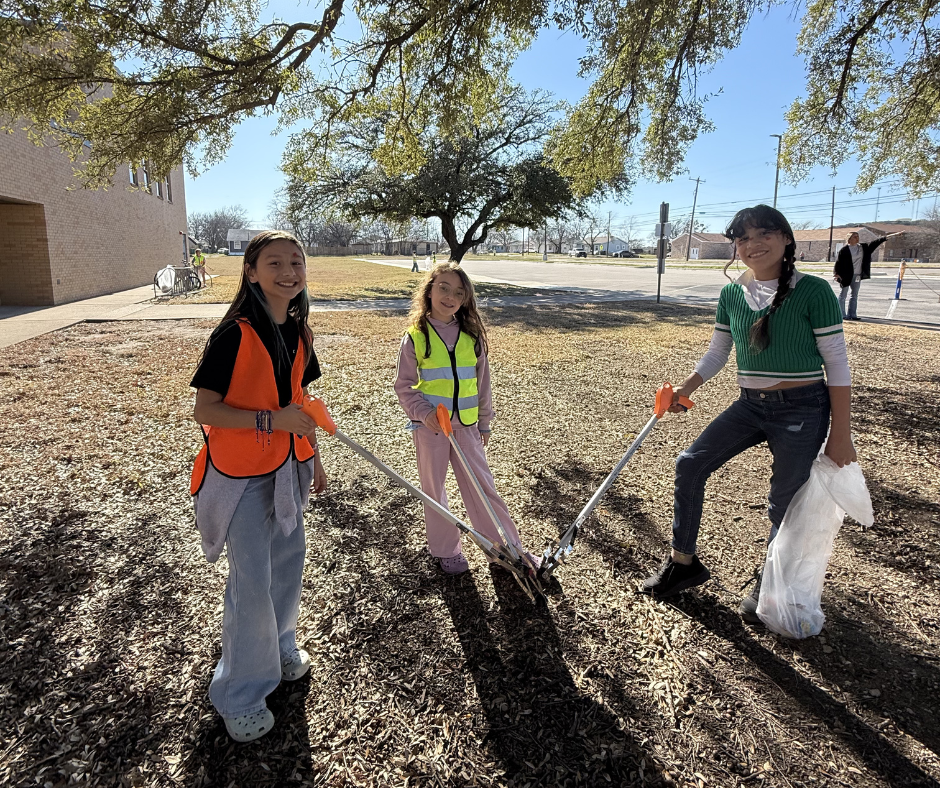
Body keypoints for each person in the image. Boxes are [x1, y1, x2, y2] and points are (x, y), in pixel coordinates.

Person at [641, 205, 856, 624]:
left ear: (787, 239)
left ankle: (769, 582)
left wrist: (841, 433)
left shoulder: (813, 292)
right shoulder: (731, 294)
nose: (752, 244)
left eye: (764, 234)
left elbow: (837, 364)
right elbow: (719, 351)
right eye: (742, 238)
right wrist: (683, 390)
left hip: (803, 408)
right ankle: (683, 564)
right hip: (749, 405)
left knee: (783, 501)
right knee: (690, 465)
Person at [189, 230, 327, 742]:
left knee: (289, 562)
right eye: (275, 263)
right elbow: (207, 409)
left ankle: (281, 645)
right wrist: (273, 425)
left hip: (288, 468)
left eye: (297, 261)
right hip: (241, 478)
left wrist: (310, 454)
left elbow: (299, 400)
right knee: (251, 583)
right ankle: (240, 691)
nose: (289, 271)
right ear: (251, 272)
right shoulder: (234, 334)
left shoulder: (299, 328)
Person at [394, 262, 539, 574]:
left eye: (459, 292)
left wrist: (484, 422)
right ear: (429, 290)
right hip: (431, 430)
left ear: (465, 299)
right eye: (444, 288)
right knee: (434, 491)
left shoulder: (470, 337)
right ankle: (446, 550)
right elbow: (404, 387)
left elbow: (482, 382)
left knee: (483, 488)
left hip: (468, 428)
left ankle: (504, 549)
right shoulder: (416, 337)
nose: (450, 296)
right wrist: (426, 414)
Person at [833, 231, 897, 320]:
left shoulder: (863, 247)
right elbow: (838, 263)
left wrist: (886, 237)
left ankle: (852, 315)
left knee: (854, 295)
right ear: (849, 239)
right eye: (854, 236)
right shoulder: (844, 250)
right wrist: (836, 274)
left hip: (857, 275)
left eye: (857, 236)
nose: (857, 238)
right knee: (843, 295)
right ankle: (842, 315)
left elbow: (874, 243)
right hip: (846, 275)